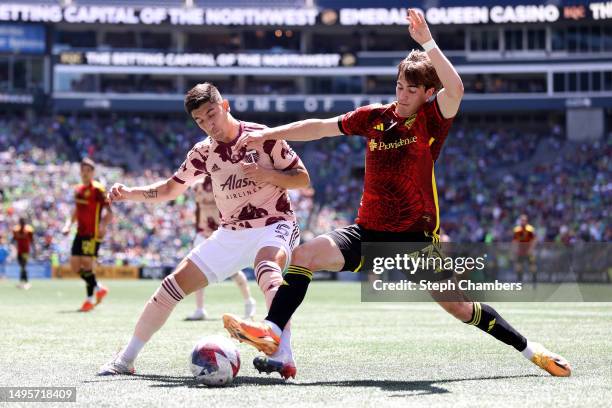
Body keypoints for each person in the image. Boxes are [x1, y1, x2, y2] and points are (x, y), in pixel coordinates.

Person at [223, 9, 571, 378]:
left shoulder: (431, 119)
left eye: (411, 90)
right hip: (368, 232)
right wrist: (269, 133)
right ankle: (272, 331)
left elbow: (457, 89)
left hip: (414, 241)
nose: (402, 96)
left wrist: (428, 43)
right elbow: (321, 127)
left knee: (461, 308)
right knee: (303, 255)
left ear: (427, 93)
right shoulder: (375, 117)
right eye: (399, 87)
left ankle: (532, 350)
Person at [98, 82, 308, 379]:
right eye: (200, 121)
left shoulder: (263, 138)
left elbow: (302, 178)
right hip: (230, 233)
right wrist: (129, 193)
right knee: (171, 286)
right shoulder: (203, 152)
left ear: (226, 106)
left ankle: (284, 354)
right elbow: (171, 189)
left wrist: (266, 174)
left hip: (275, 224)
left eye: (212, 114)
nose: (210, 125)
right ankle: (125, 359)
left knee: (267, 268)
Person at [185, 175, 256, 321]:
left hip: (221, 234)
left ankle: (249, 301)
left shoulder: (225, 184)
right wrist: (198, 229)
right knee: (196, 269)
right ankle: (200, 309)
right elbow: (198, 209)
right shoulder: (197, 186)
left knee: (233, 271)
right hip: (202, 234)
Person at [61, 158, 112, 312]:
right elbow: (76, 210)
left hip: (92, 233)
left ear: (93, 172)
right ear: (80, 172)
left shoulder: (98, 190)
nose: (85, 173)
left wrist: (103, 225)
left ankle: (89, 300)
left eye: (88, 170)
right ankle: (98, 287)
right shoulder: (78, 189)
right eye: (83, 170)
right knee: (75, 267)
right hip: (79, 232)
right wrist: (68, 224)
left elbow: (109, 212)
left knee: (87, 265)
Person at [512, 214, 537, 287]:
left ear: (527, 221)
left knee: (533, 267)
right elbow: (515, 241)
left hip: (529, 252)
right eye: (522, 220)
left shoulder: (530, 229)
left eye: (525, 220)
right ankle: (520, 283)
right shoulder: (517, 229)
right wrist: (514, 250)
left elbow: (534, 240)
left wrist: (531, 249)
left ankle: (534, 283)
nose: (523, 221)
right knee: (518, 267)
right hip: (520, 252)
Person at [12, 218, 35, 289]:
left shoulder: (29, 230)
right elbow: (14, 239)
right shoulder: (16, 229)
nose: (22, 223)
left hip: (25, 251)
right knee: (22, 266)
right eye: (21, 222)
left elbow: (32, 240)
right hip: (19, 250)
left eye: (23, 222)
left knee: (23, 265)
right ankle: (24, 282)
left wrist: (34, 249)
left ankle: (25, 282)